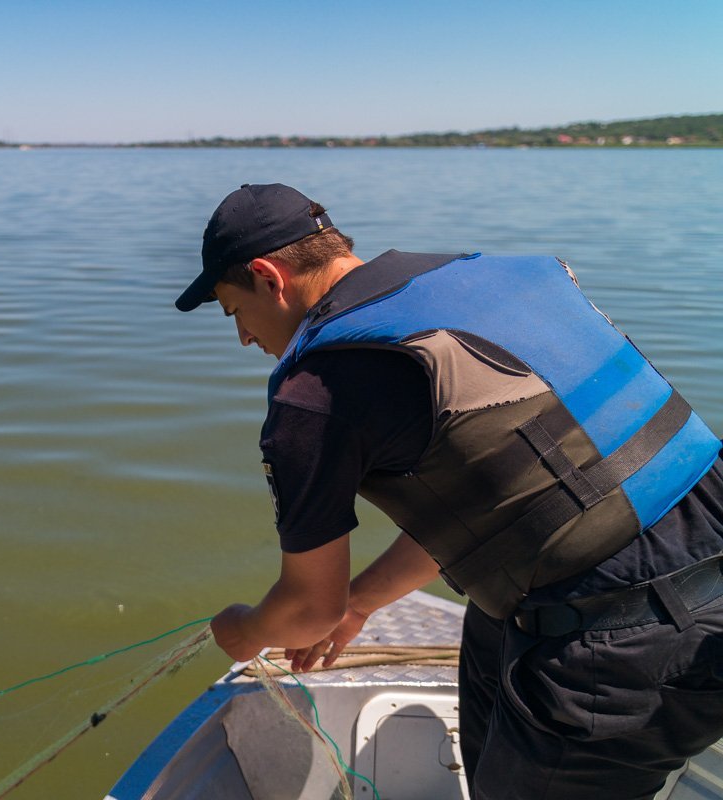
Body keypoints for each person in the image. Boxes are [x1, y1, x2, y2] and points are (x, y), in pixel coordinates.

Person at [175, 183, 723, 799]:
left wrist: (246, 632)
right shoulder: (497, 277)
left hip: (620, 644)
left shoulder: (315, 391)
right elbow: (515, 498)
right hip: (700, 561)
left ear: (268, 277)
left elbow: (307, 611)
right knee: (493, 627)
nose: (245, 338)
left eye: (234, 312)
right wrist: (360, 603)